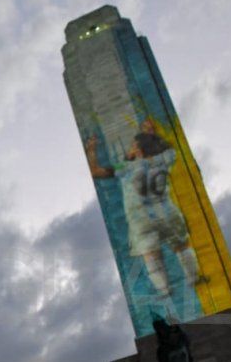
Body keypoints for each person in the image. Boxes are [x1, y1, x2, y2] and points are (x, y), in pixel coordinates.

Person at [85, 120, 202, 298]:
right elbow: (169, 149)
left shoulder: (125, 167)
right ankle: (194, 278)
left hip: (141, 219)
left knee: (151, 257)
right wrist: (151, 134)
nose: (129, 149)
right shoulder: (165, 158)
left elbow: (95, 171)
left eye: (133, 146)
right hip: (167, 211)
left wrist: (92, 149)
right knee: (181, 246)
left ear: (139, 150)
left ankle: (164, 290)